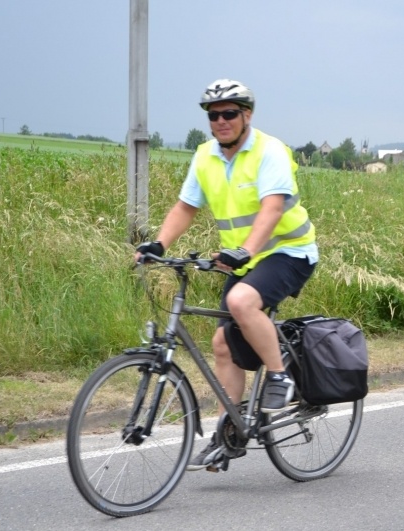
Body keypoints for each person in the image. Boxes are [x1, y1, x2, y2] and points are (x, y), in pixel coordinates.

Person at [135, 79, 318, 471]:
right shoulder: (206, 157)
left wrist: (246, 250)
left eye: (229, 113)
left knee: (240, 302)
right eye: (214, 115)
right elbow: (186, 207)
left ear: (246, 115)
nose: (221, 121)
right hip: (245, 260)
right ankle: (229, 433)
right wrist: (160, 245)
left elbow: (271, 208)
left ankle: (280, 377)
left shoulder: (269, 151)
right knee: (222, 343)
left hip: (288, 252)